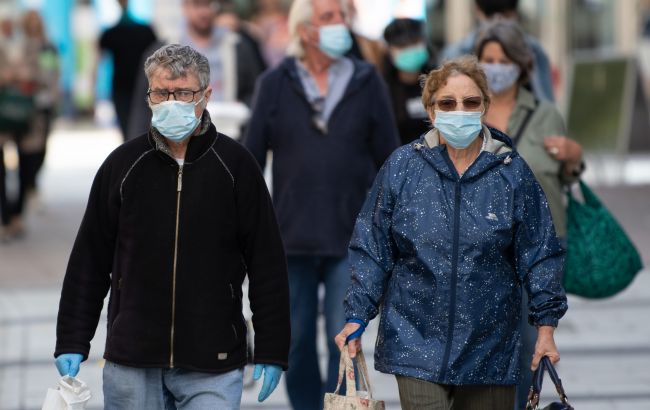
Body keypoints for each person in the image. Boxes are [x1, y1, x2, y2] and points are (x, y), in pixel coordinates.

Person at [54, 44, 290, 409]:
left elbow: (266, 262)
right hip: (133, 357)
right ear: (148, 96)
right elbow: (90, 258)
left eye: (183, 93)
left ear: (206, 95)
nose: (171, 103)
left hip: (212, 356)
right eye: (161, 93)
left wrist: (272, 348)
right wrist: (72, 338)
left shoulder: (235, 166)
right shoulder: (123, 165)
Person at [335, 56, 568, 410]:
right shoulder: (402, 167)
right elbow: (373, 246)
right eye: (447, 103)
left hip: (490, 348)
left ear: (484, 107)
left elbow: (539, 253)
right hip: (415, 342)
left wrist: (546, 327)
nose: (459, 111)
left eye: (470, 102)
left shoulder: (511, 173)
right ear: (431, 111)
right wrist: (357, 315)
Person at [243, 0, 400, 408]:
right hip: (289, 238)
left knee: (344, 339)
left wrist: (385, 221)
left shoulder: (366, 80)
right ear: (306, 30)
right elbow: (250, 160)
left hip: (351, 238)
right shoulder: (275, 83)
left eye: (341, 16)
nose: (340, 24)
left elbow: (390, 159)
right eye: (328, 17)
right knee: (293, 341)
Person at [474, 19, 583, 409]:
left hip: (539, 245)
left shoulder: (545, 114)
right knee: (486, 344)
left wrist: (573, 158)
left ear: (521, 65)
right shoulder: (468, 113)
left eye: (503, 60)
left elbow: (564, 178)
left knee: (526, 346)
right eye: (487, 60)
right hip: (484, 244)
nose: (495, 68)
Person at [128, 0, 265, 139]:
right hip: (177, 137)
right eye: (197, 5)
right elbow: (144, 103)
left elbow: (256, 91)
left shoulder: (237, 45)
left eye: (209, 4)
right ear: (185, 7)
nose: (203, 12)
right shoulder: (162, 50)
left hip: (227, 133)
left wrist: (242, 108)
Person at [440, 0, 555, 102]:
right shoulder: (533, 49)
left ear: (477, 10)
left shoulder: (454, 52)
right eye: (489, 61)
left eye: (505, 61)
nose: (496, 26)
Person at [98, 0, 157, 140]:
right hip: (132, 88)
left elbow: (98, 58)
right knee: (138, 129)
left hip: (135, 87)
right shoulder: (145, 31)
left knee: (135, 129)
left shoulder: (111, 33)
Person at [19, 10, 59, 205]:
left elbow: (53, 72)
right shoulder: (20, 45)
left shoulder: (47, 46)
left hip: (45, 102)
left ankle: (31, 182)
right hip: (25, 103)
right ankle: (28, 185)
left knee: (42, 147)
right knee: (26, 148)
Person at [382, 18, 437, 145]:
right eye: (402, 45)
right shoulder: (381, 89)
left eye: (415, 42)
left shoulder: (440, 83)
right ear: (388, 50)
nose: (410, 49)